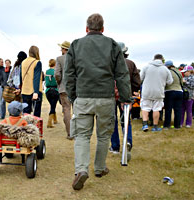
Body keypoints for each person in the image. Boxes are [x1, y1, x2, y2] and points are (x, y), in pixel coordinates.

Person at [64, 13, 132, 190]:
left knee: (82, 135)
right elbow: (122, 74)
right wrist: (125, 98)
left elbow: (69, 74)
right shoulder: (112, 44)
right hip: (105, 98)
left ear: (87, 28)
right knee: (103, 135)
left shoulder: (76, 44)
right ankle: (100, 168)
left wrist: (73, 96)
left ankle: (81, 170)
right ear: (102, 29)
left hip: (83, 97)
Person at [109, 42, 141, 158]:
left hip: (111, 96)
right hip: (126, 96)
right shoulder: (131, 63)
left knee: (112, 121)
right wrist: (133, 90)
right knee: (126, 121)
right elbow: (137, 82)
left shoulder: (109, 63)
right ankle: (128, 142)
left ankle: (115, 146)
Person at [140, 54, 173, 132]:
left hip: (147, 91)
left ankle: (145, 125)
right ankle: (155, 126)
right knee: (156, 109)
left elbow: (140, 78)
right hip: (159, 91)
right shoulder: (165, 69)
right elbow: (170, 81)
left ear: (153, 59)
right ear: (162, 60)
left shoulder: (146, 67)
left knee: (145, 108)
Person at [55, 41, 73, 140]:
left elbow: (57, 74)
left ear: (64, 49)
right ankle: (78, 132)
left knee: (66, 110)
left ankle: (70, 133)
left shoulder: (59, 59)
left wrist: (59, 83)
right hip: (76, 89)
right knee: (77, 111)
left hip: (64, 88)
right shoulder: (76, 59)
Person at [21, 46, 43, 117]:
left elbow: (20, 76)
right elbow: (36, 78)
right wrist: (36, 92)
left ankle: (25, 127)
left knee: (26, 114)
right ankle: (35, 128)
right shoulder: (37, 62)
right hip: (34, 90)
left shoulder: (23, 62)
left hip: (24, 90)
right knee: (36, 115)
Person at [163, 60, 183, 130]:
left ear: (167, 66)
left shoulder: (167, 72)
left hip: (170, 91)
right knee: (178, 109)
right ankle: (177, 125)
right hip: (179, 91)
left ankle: (167, 125)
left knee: (168, 109)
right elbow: (181, 83)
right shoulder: (179, 72)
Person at [45, 59, 59, 128]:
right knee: (53, 106)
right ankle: (49, 123)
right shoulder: (56, 71)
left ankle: (55, 119)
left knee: (52, 105)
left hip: (47, 91)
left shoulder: (47, 71)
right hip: (55, 90)